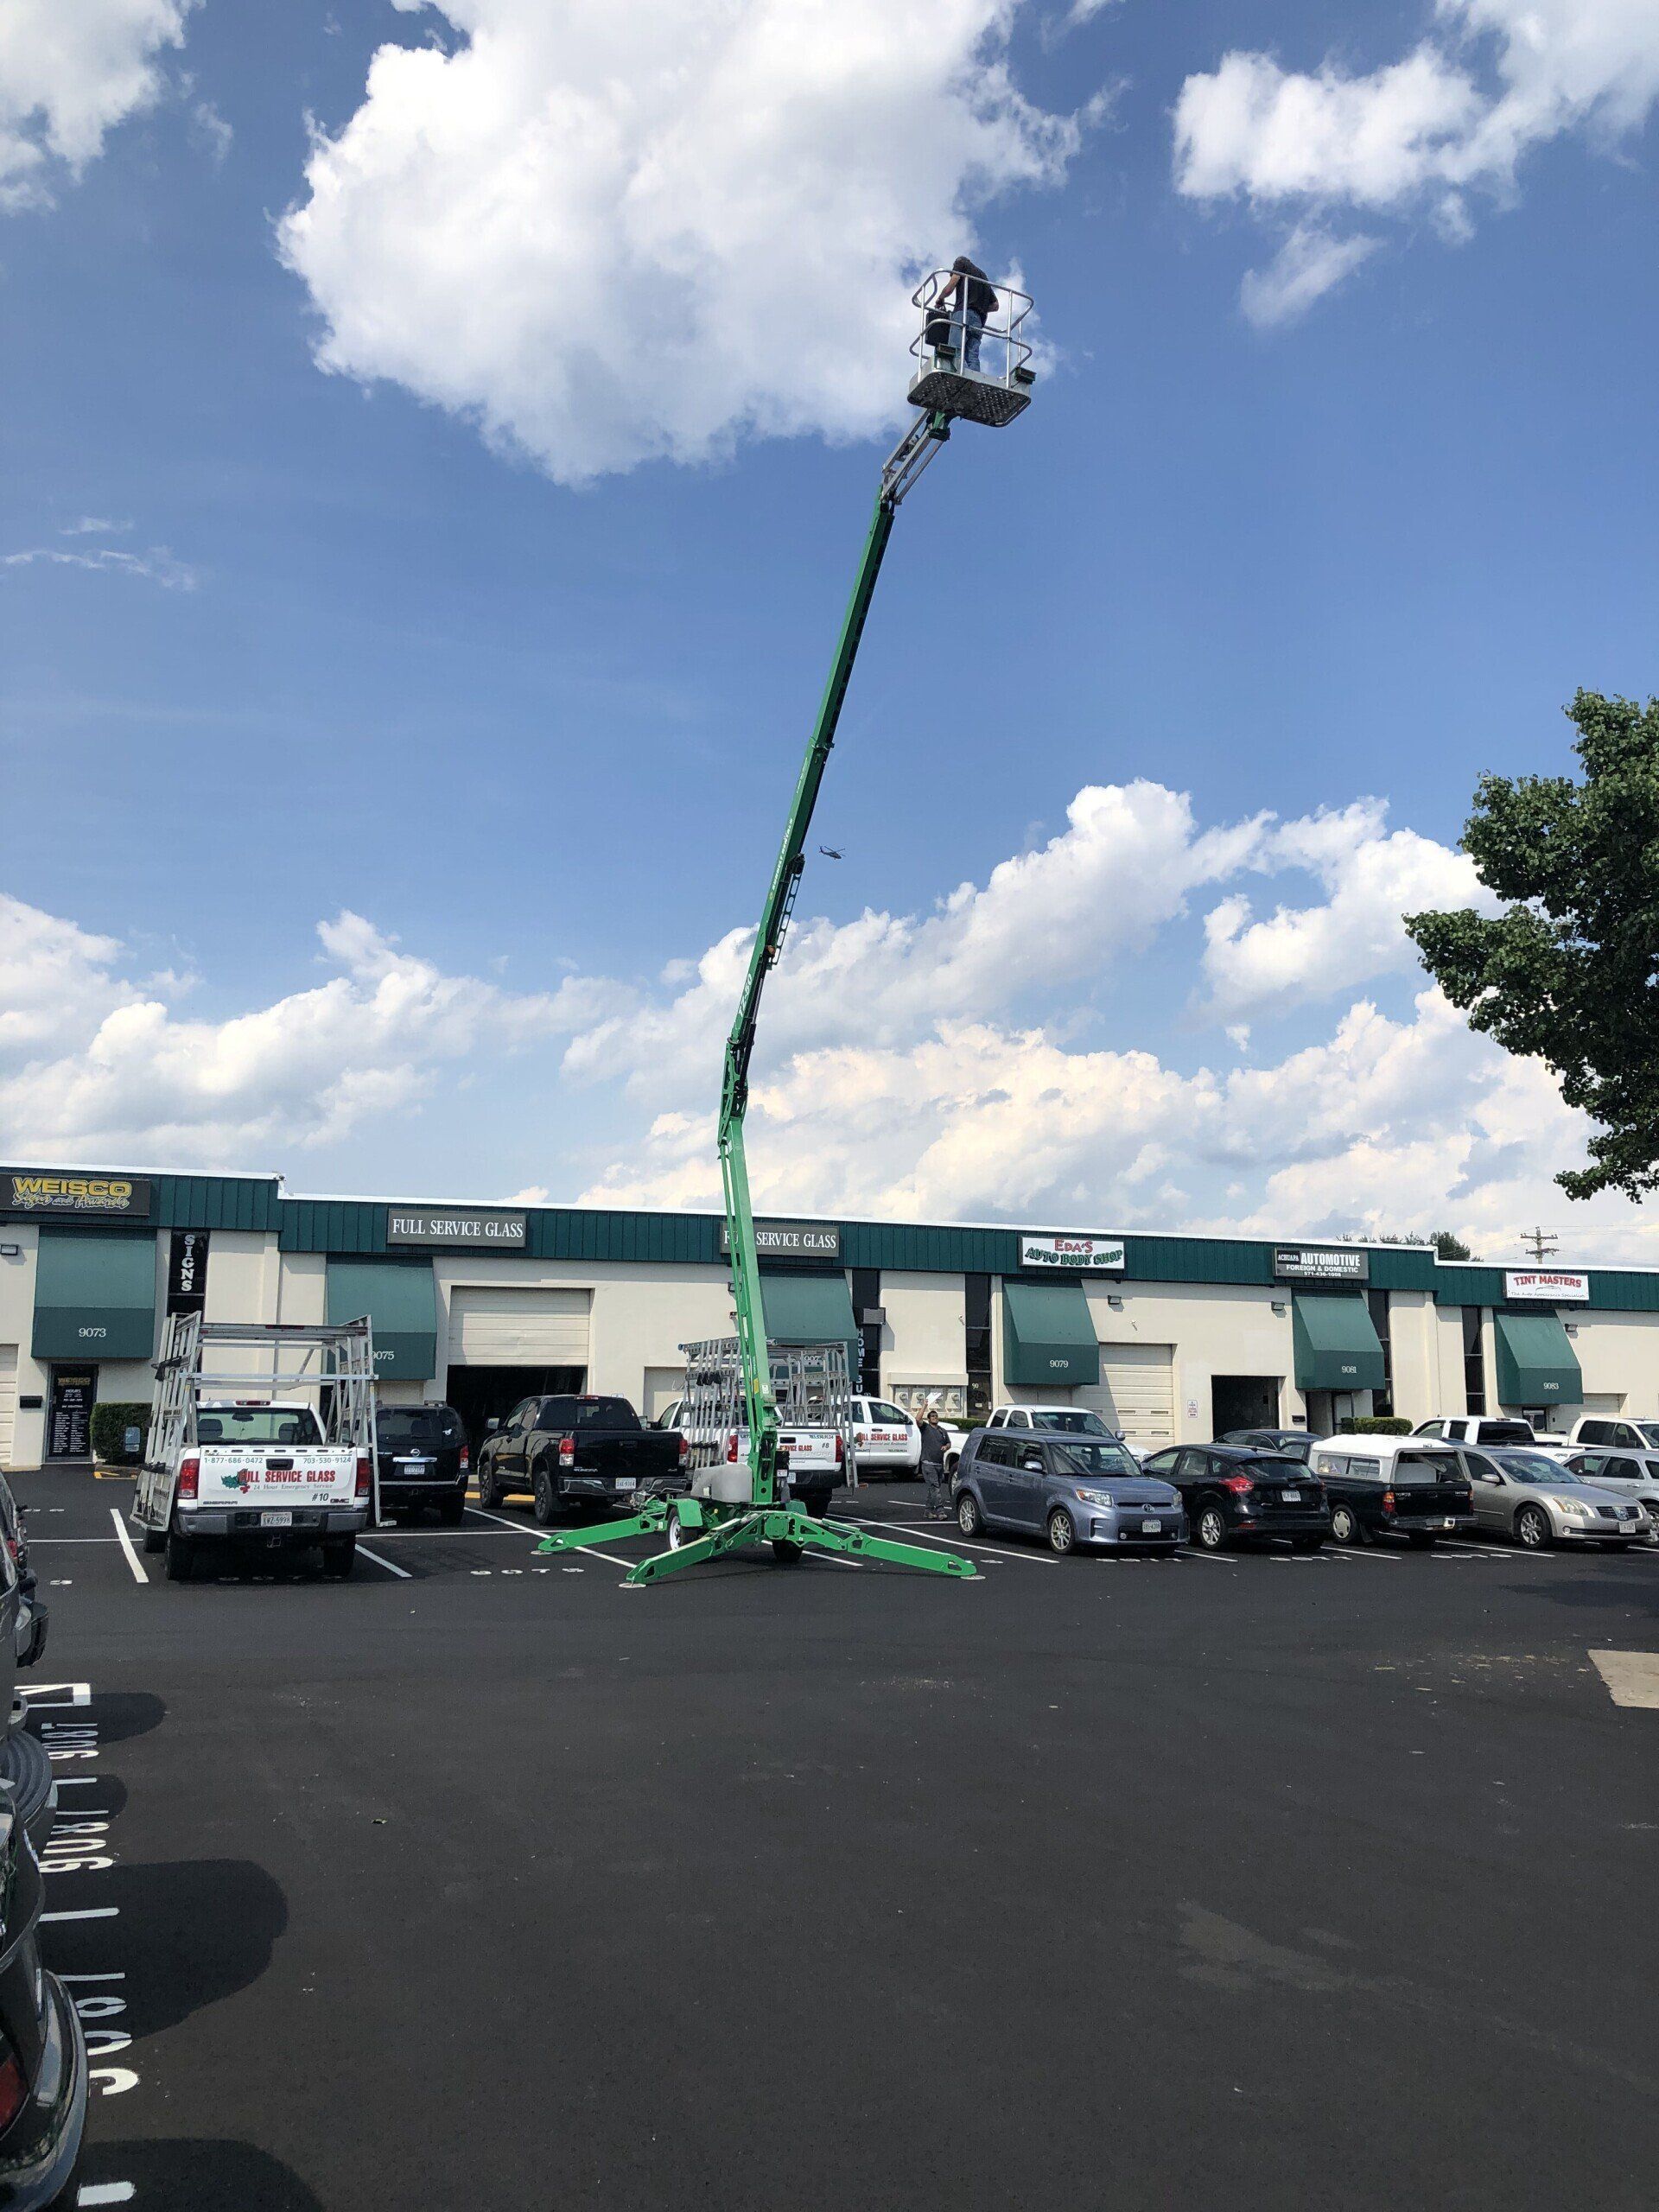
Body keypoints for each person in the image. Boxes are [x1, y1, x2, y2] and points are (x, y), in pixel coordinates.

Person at [933, 255, 997, 372]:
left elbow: (950, 287)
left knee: (955, 350)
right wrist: (978, 306)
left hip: (962, 314)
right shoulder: (983, 276)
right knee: (972, 355)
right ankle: (973, 379)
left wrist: (940, 299)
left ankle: (960, 376)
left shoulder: (961, 263)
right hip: (978, 320)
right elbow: (995, 305)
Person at [918, 1409, 951, 1517]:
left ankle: (928, 1511)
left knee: (933, 1489)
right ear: (929, 1419)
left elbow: (949, 1443)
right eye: (932, 1416)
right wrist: (924, 1406)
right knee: (935, 1488)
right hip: (928, 1464)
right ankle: (940, 1512)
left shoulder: (942, 1431)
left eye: (936, 1416)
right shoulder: (926, 1428)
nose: (934, 1417)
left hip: (939, 1464)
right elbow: (917, 1419)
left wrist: (946, 1447)